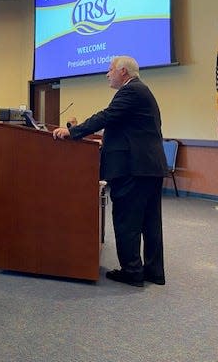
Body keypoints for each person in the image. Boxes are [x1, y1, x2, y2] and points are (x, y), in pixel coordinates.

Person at [53, 56, 167, 287]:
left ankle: (132, 271)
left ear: (123, 71)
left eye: (109, 69)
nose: (107, 74)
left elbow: (105, 116)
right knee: (149, 221)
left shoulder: (131, 91)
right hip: (148, 166)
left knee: (128, 221)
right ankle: (154, 271)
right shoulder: (140, 90)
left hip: (133, 168)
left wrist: (73, 132)